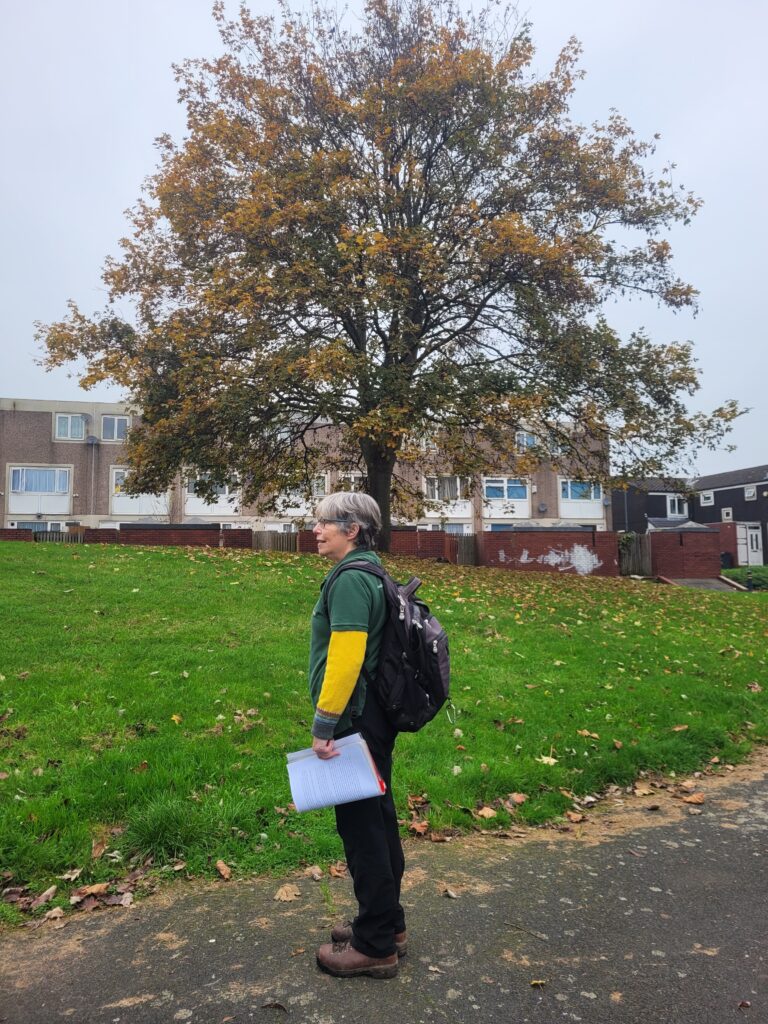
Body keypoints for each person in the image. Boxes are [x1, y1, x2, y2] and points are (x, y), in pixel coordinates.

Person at [309, 492, 407, 980]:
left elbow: (346, 658)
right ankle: (390, 926)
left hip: (354, 720)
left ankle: (374, 947)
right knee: (380, 820)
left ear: (353, 529)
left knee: (363, 830)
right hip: (376, 718)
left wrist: (325, 725)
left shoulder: (350, 579)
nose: (316, 530)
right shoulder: (373, 570)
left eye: (326, 523)